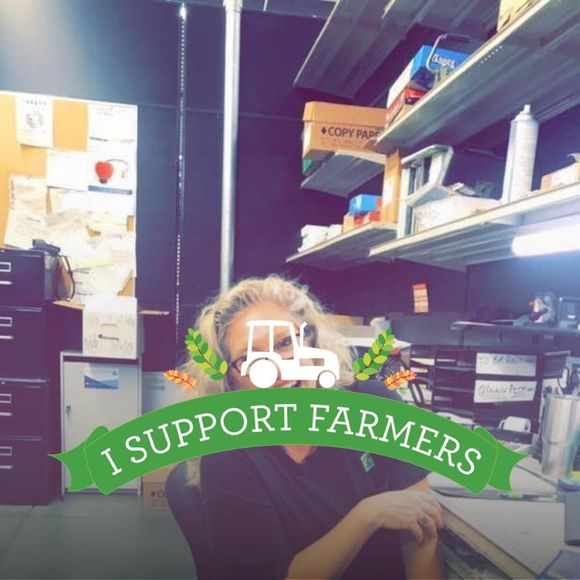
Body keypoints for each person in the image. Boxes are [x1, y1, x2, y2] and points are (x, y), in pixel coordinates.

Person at [182, 275, 445, 580]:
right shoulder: (228, 455)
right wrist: (368, 515)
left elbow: (421, 532)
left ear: (312, 341)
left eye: (285, 343)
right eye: (250, 358)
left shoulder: (375, 407)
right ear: (231, 382)